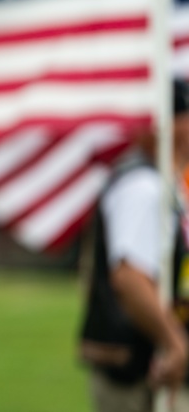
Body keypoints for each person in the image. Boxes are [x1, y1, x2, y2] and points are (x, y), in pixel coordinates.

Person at [80, 79, 189, 412]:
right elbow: (130, 277)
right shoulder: (144, 185)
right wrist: (174, 343)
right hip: (138, 374)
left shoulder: (162, 181)